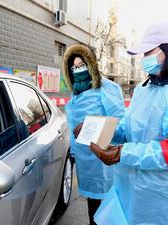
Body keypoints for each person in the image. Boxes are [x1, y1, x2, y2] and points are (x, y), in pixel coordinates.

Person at [87, 22, 168, 225]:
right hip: (130, 186)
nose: (144, 58)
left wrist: (123, 153)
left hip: (164, 195)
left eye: (149, 51)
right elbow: (129, 128)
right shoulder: (145, 87)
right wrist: (97, 129)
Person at [62, 44, 125, 225]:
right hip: (85, 161)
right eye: (73, 67)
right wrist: (73, 153)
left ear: (91, 64)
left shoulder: (107, 88)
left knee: (107, 209)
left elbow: (120, 123)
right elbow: (73, 126)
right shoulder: (77, 92)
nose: (77, 70)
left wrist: (90, 126)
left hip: (104, 159)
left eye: (81, 65)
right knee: (93, 208)